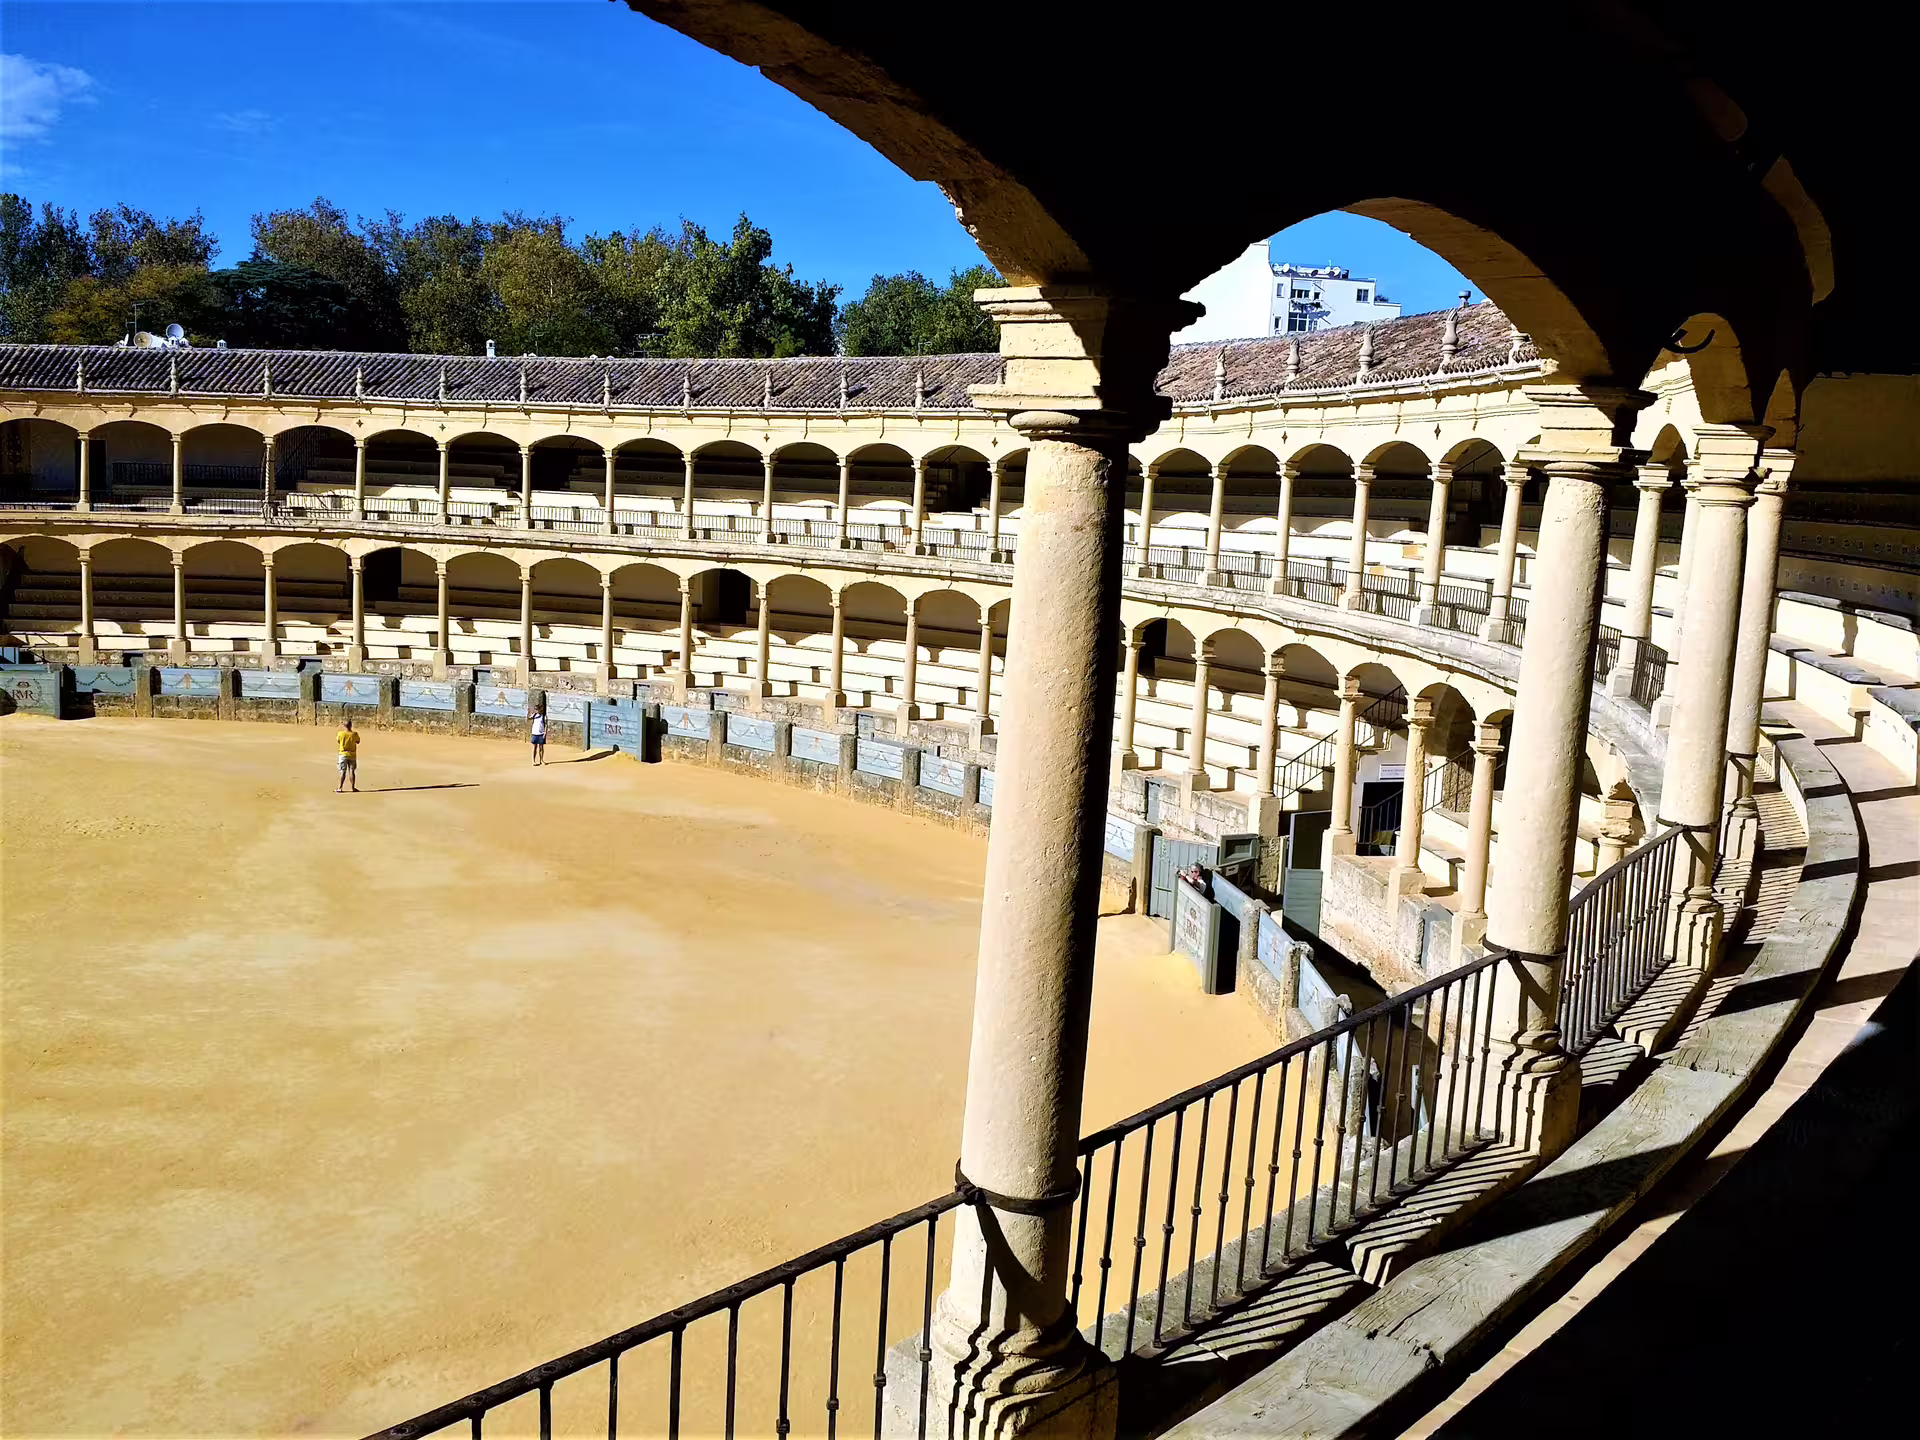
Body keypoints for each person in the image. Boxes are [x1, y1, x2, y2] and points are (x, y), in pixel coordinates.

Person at [336, 717, 360, 792]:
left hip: (343, 754)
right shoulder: (354, 734)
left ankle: (340, 788)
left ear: (344, 726)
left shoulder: (341, 733)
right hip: (352, 754)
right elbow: (358, 741)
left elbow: (338, 741)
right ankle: (353, 788)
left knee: (343, 771)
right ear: (351, 725)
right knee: (352, 771)